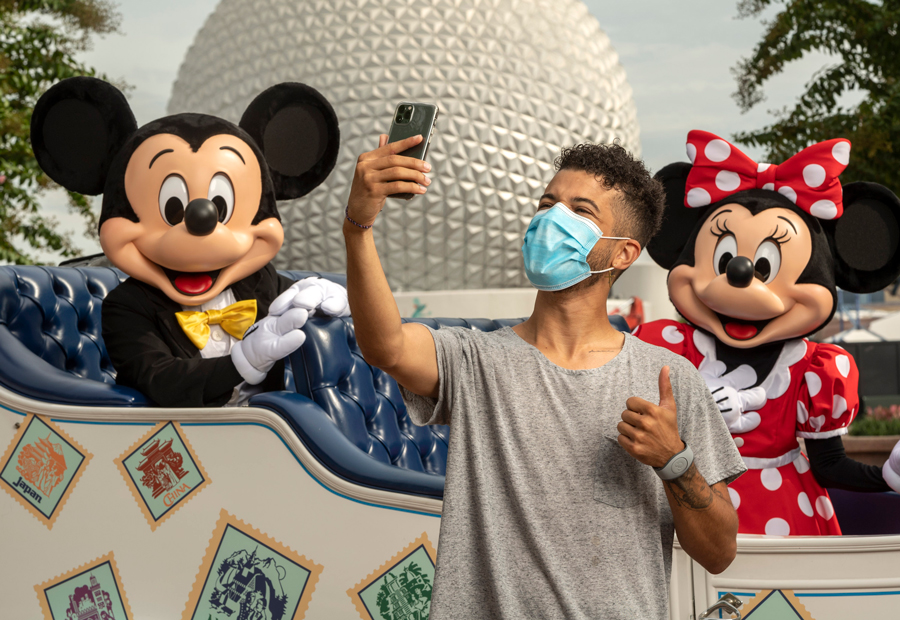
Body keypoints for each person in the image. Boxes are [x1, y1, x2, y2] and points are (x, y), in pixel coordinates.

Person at [343, 134, 747, 619]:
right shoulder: (477, 360)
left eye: (581, 211)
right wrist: (358, 227)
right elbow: (384, 345)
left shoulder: (667, 378)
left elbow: (719, 552)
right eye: (546, 204)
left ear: (623, 254)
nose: (552, 219)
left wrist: (674, 461)